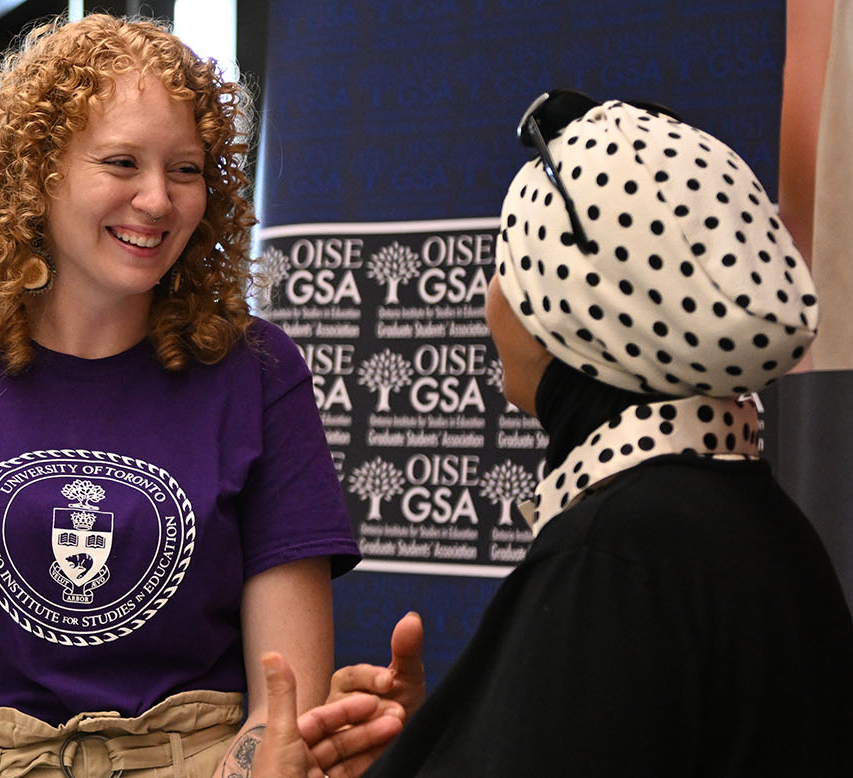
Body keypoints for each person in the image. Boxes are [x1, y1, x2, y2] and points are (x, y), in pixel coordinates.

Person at [0, 15, 359, 777]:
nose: (158, 200)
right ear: (37, 173)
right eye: (122, 162)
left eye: (188, 169)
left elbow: (282, 701)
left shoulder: (259, 372)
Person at [255, 92, 853, 778]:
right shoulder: (752, 517)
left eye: (507, 267)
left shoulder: (616, 553)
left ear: (570, 313)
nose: (490, 300)